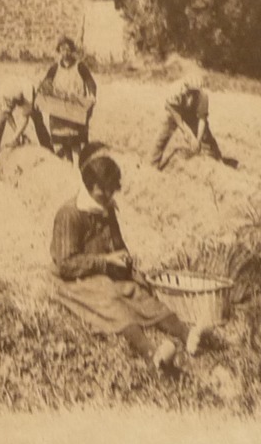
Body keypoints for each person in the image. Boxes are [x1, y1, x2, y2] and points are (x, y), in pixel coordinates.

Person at [51, 154, 207, 371]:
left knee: (138, 293)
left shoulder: (106, 209)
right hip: (78, 279)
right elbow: (66, 264)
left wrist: (124, 258)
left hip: (106, 272)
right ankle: (151, 353)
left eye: (111, 191)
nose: (108, 195)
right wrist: (105, 260)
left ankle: (186, 334)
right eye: (104, 190)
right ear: (91, 186)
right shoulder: (70, 214)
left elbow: (118, 244)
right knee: (111, 300)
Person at [151, 69, 235, 169]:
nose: (192, 94)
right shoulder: (175, 89)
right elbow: (174, 112)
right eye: (190, 91)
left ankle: (218, 161)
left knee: (207, 137)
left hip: (192, 114)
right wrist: (187, 132)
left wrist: (198, 139)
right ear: (185, 86)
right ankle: (153, 164)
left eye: (195, 92)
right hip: (175, 112)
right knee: (163, 136)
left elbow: (202, 119)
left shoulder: (203, 96)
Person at [35, 37, 98, 162]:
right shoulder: (54, 68)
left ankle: (78, 167)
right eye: (62, 50)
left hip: (75, 108)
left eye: (68, 50)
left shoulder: (80, 67)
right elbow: (46, 83)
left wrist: (91, 96)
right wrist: (44, 92)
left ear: (72, 51)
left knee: (76, 141)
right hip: (59, 110)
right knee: (63, 141)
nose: (65, 53)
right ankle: (69, 166)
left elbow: (90, 82)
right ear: (59, 51)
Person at [0, 83, 49, 165]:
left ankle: (47, 150)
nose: (13, 107)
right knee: (0, 121)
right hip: (13, 88)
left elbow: (24, 121)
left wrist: (15, 137)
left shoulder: (28, 97)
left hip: (32, 90)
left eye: (13, 105)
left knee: (38, 122)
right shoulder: (5, 90)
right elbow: (5, 114)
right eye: (11, 105)